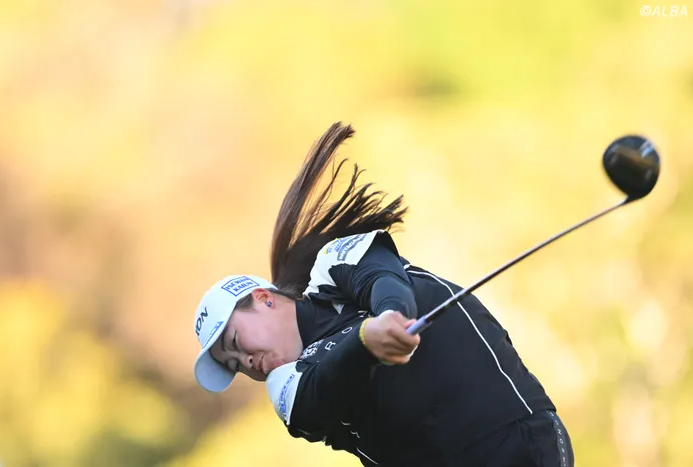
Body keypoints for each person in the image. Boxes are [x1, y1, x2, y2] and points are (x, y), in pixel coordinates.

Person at [191, 122, 575, 467]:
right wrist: (366, 342)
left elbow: (383, 279)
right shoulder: (287, 388)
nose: (247, 362)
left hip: (522, 438)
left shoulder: (331, 266)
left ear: (263, 298)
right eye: (235, 365)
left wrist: (391, 315)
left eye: (236, 342)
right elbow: (325, 387)